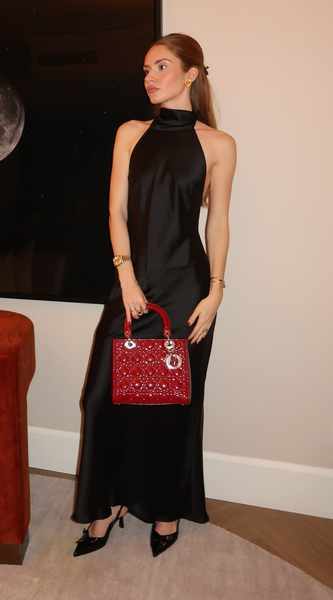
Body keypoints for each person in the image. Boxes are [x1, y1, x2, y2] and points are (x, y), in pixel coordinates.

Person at [72, 33, 237, 557]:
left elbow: (220, 223)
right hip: (132, 285)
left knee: (168, 407)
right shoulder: (130, 133)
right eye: (145, 68)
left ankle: (166, 511)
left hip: (188, 289)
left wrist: (216, 292)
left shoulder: (219, 144)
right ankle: (107, 506)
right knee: (103, 399)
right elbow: (115, 212)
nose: (149, 77)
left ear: (191, 74)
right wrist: (124, 277)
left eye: (161, 66)